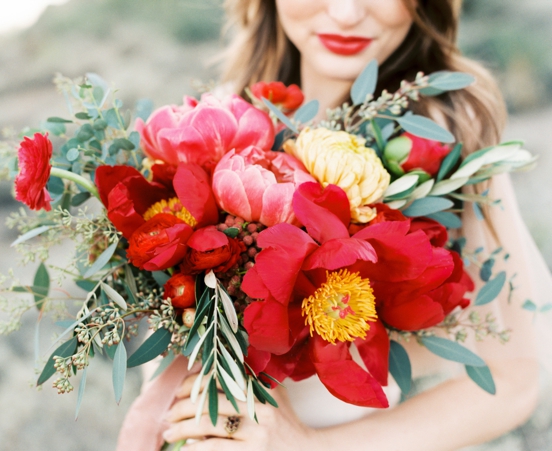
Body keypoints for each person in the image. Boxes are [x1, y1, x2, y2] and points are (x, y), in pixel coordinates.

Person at [117, 1, 552, 449]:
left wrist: (304, 446)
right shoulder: (219, 117)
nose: (345, 13)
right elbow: (174, 331)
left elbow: (512, 384)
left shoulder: (447, 131)